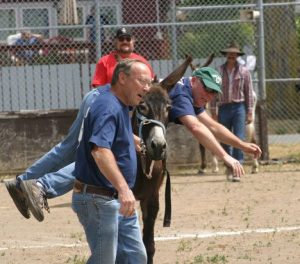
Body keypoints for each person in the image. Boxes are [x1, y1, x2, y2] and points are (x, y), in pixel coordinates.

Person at [5, 67, 261, 222]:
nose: (210, 95)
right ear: (194, 81)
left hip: (103, 101)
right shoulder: (181, 94)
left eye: (214, 93)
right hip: (104, 102)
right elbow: (196, 128)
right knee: (94, 155)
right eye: (207, 89)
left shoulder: (188, 94)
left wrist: (240, 144)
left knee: (72, 149)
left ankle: (22, 183)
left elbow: (212, 125)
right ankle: (38, 186)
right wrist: (226, 157)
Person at [71, 59, 151, 263]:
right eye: (142, 81)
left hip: (117, 199)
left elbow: (108, 133)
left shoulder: (120, 103)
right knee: (104, 260)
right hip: (99, 199)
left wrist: (128, 137)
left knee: (135, 257)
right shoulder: (108, 106)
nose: (147, 88)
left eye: (149, 83)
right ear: (122, 78)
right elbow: (100, 151)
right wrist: (124, 189)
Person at [210, 41, 255, 180]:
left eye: (234, 54)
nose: (231, 56)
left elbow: (248, 92)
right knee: (225, 138)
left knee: (239, 138)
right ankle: (229, 167)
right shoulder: (219, 71)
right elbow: (213, 91)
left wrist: (249, 111)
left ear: (237, 55)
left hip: (239, 107)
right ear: (226, 55)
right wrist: (213, 109)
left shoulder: (244, 71)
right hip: (223, 107)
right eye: (229, 54)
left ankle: (237, 169)